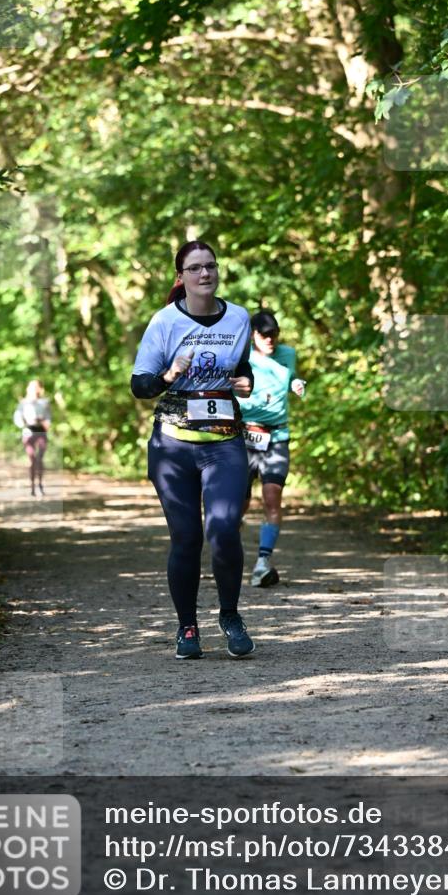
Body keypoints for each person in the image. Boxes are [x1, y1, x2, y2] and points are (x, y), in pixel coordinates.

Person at [131, 240, 256, 661]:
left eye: (211, 267)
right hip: (173, 446)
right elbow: (139, 386)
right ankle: (187, 627)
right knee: (186, 538)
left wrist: (245, 383)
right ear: (180, 277)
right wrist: (170, 374)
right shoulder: (164, 322)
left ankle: (231, 615)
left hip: (224, 442)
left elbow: (242, 369)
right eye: (196, 268)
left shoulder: (239, 318)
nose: (205, 274)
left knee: (223, 529)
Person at [238, 310, 306, 587]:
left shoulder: (288, 354)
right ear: (253, 334)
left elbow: (291, 378)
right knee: (237, 506)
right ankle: (230, 550)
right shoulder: (242, 358)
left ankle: (263, 562)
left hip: (277, 437)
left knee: (271, 497)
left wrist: (297, 384)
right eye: (264, 335)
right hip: (244, 438)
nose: (270, 340)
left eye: (274, 334)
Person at [14, 380, 51, 497]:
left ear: (40, 389)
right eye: (31, 387)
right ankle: (32, 487)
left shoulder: (45, 402)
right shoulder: (23, 403)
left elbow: (49, 419)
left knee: (40, 459)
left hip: (41, 432)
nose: (33, 389)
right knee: (32, 459)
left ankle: (40, 485)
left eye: (35, 387)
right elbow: (17, 417)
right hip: (28, 432)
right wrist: (24, 422)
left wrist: (42, 421)